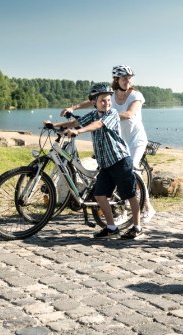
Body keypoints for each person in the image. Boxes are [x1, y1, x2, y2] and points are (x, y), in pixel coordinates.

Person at [48, 83, 143, 239]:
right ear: (94, 103)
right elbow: (75, 123)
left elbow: (97, 125)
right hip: (105, 164)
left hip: (120, 160)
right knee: (99, 195)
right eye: (102, 101)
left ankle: (137, 227)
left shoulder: (112, 113)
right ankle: (112, 228)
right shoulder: (93, 114)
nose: (107, 103)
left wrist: (78, 132)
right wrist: (54, 125)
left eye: (108, 100)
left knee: (130, 194)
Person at [62, 65, 156, 223]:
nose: (128, 81)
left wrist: (104, 116)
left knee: (131, 170)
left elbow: (129, 114)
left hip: (136, 139)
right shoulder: (111, 96)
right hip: (120, 139)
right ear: (116, 80)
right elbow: (95, 99)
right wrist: (74, 107)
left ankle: (148, 207)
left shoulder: (136, 95)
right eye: (125, 78)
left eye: (129, 78)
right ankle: (124, 212)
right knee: (117, 175)